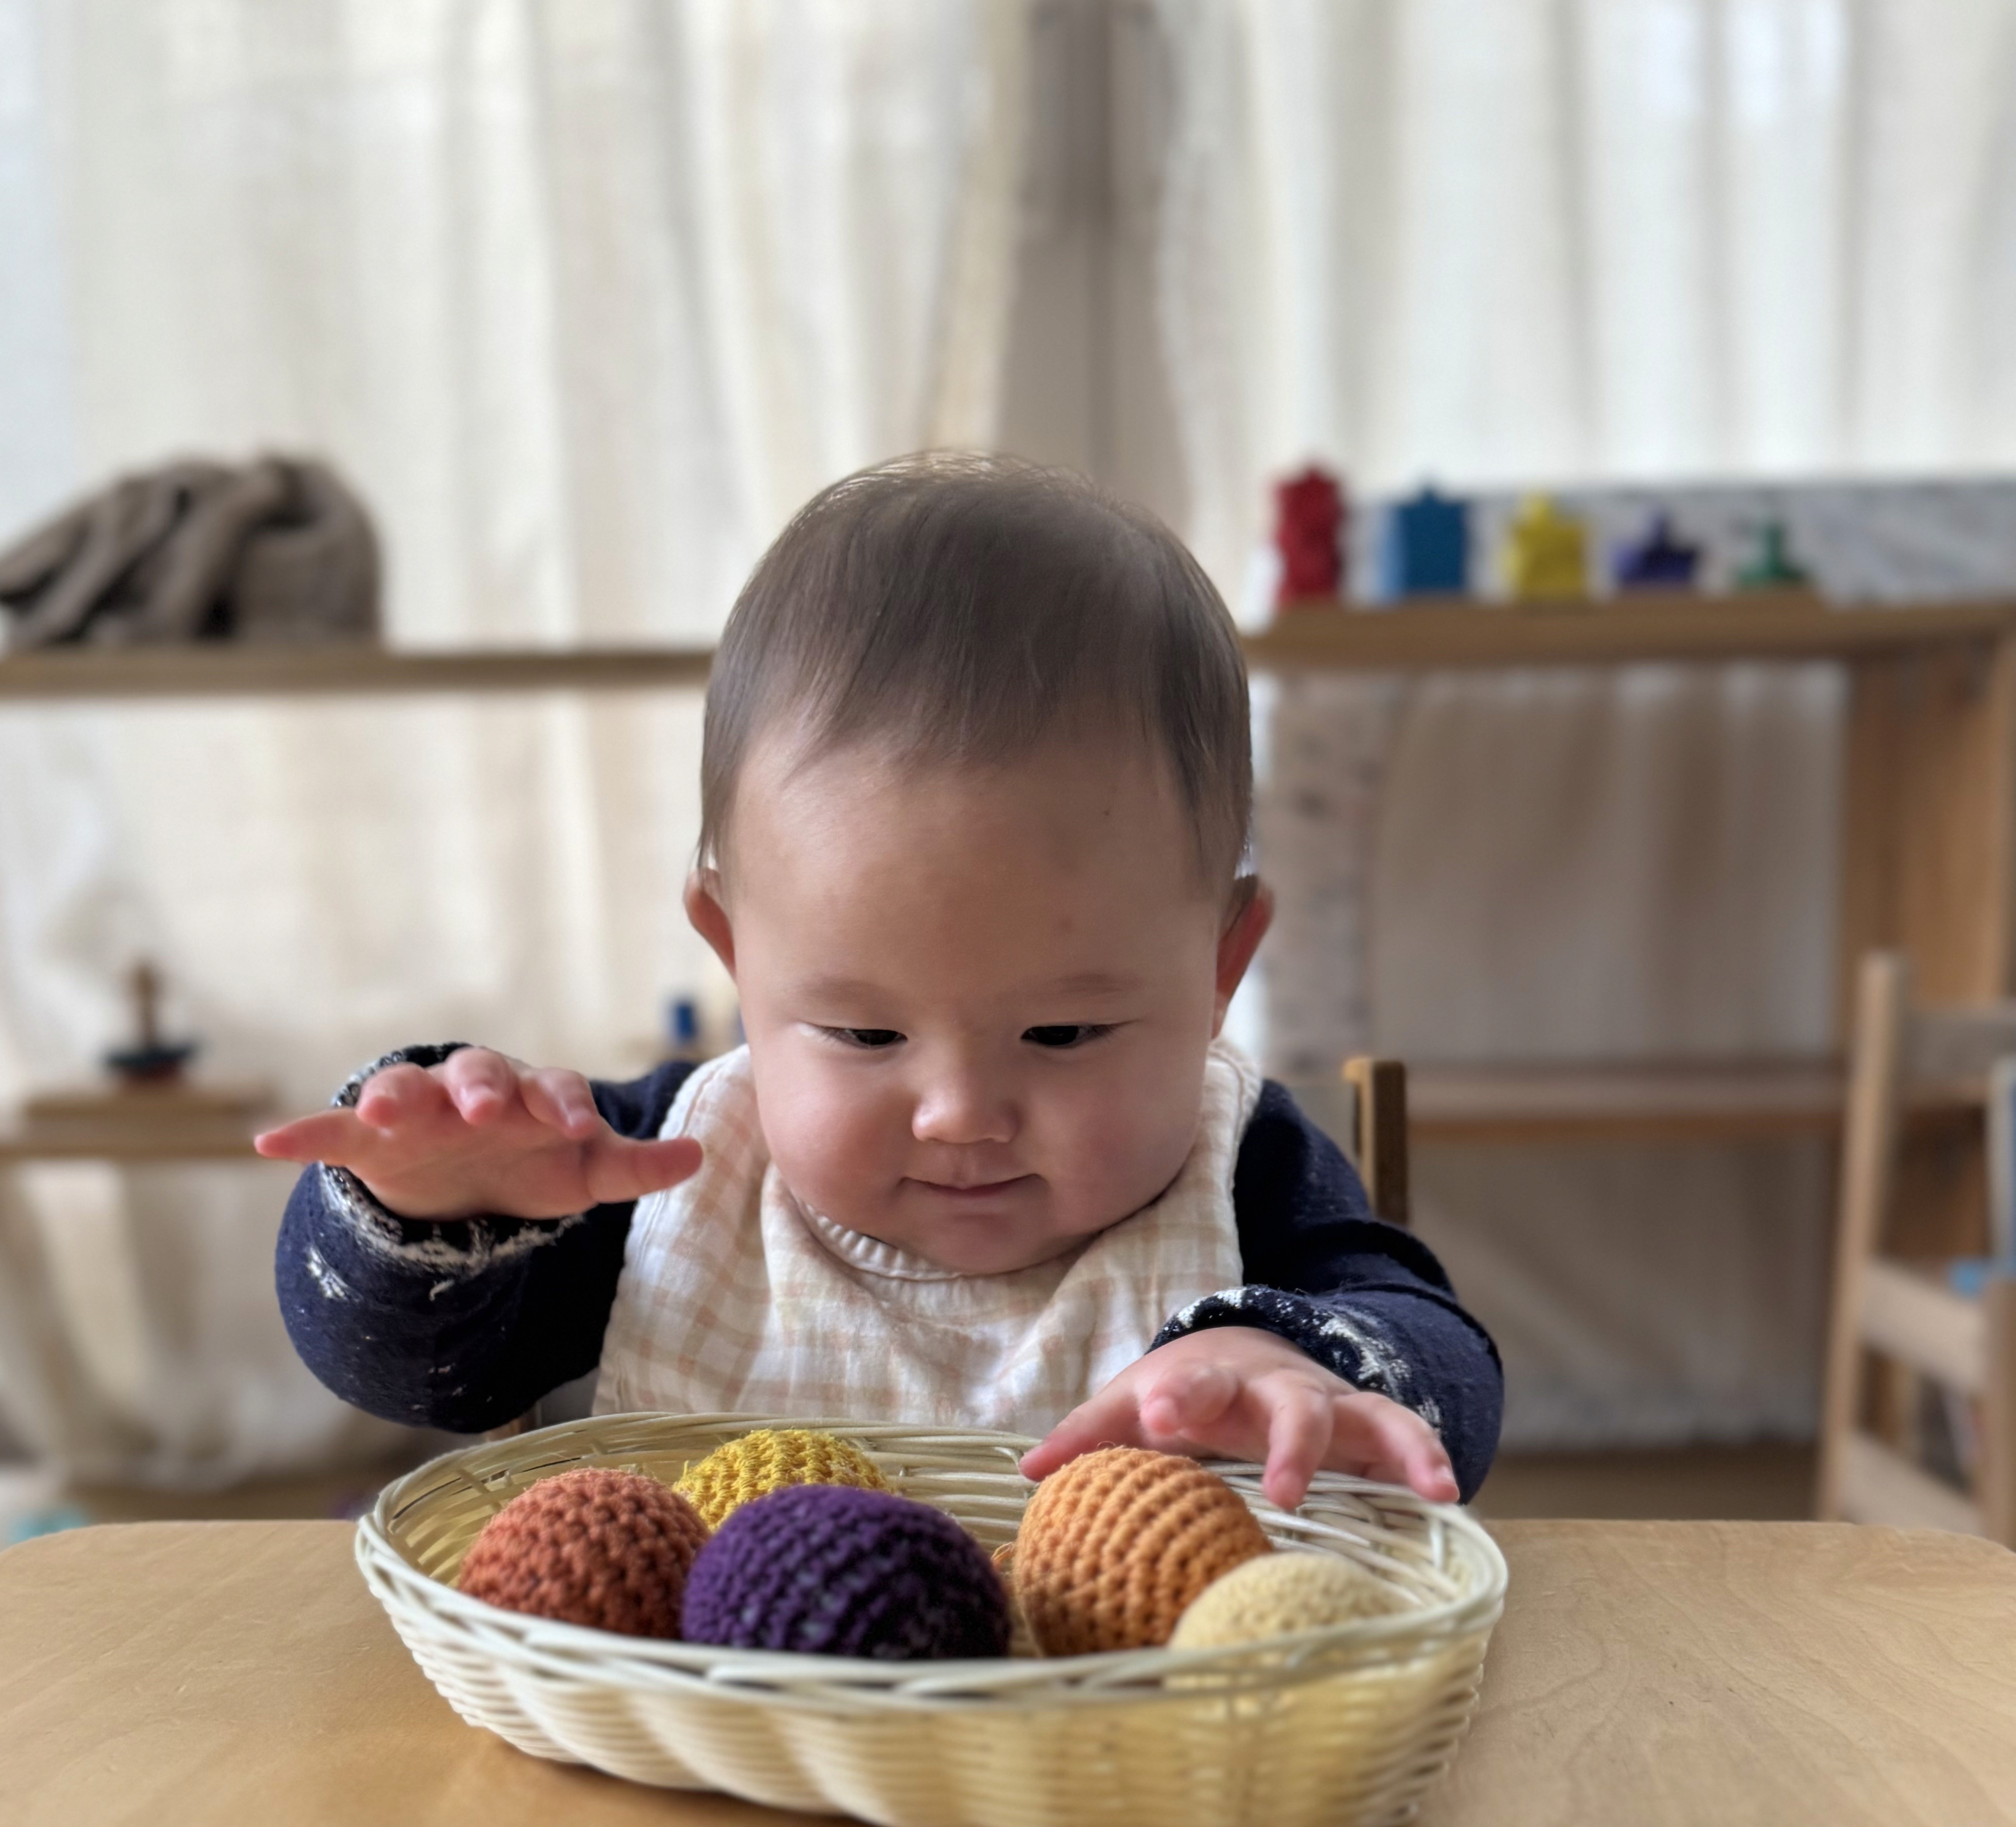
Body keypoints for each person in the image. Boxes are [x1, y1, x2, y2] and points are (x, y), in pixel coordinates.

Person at [259, 455, 1500, 1507]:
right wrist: (439, 1216)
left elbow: (1445, 1364)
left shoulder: (1242, 1172)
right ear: (736, 955)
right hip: (709, 1707)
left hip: (1131, 1714)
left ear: (1221, 966)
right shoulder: (669, 1171)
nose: (960, 1115)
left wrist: (1291, 1365)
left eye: (1064, 1032)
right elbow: (419, 1375)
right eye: (862, 1034)